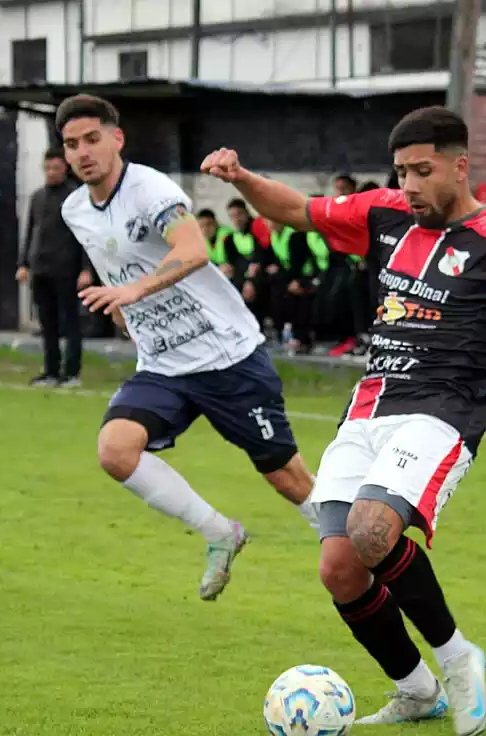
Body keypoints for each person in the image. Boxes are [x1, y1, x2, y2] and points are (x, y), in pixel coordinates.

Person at [201, 106, 486, 736]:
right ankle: (416, 691)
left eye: (422, 171)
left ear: (459, 166)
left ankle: (457, 658)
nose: (409, 185)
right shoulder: (385, 212)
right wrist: (242, 178)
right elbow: (299, 211)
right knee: (339, 566)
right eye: (401, 171)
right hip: (367, 408)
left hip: (441, 411)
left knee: (370, 531)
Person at [55, 94, 319, 602]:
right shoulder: (74, 210)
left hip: (227, 357)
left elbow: (193, 249)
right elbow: (119, 269)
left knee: (288, 479)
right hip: (162, 365)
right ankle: (221, 531)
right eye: (71, 144)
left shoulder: (150, 188)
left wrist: (133, 291)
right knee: (115, 449)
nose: (83, 152)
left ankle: (353, 552)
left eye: (92, 139)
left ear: (116, 138)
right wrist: (122, 308)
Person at [16, 149, 89, 387]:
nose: (51, 173)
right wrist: (24, 263)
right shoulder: (37, 197)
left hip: (66, 268)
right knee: (47, 324)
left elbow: (86, 236)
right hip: (41, 268)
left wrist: (86, 269)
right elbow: (30, 231)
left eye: (56, 168)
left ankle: (72, 372)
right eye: (47, 168)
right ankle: (51, 371)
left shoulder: (77, 197)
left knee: (70, 322)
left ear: (65, 168)